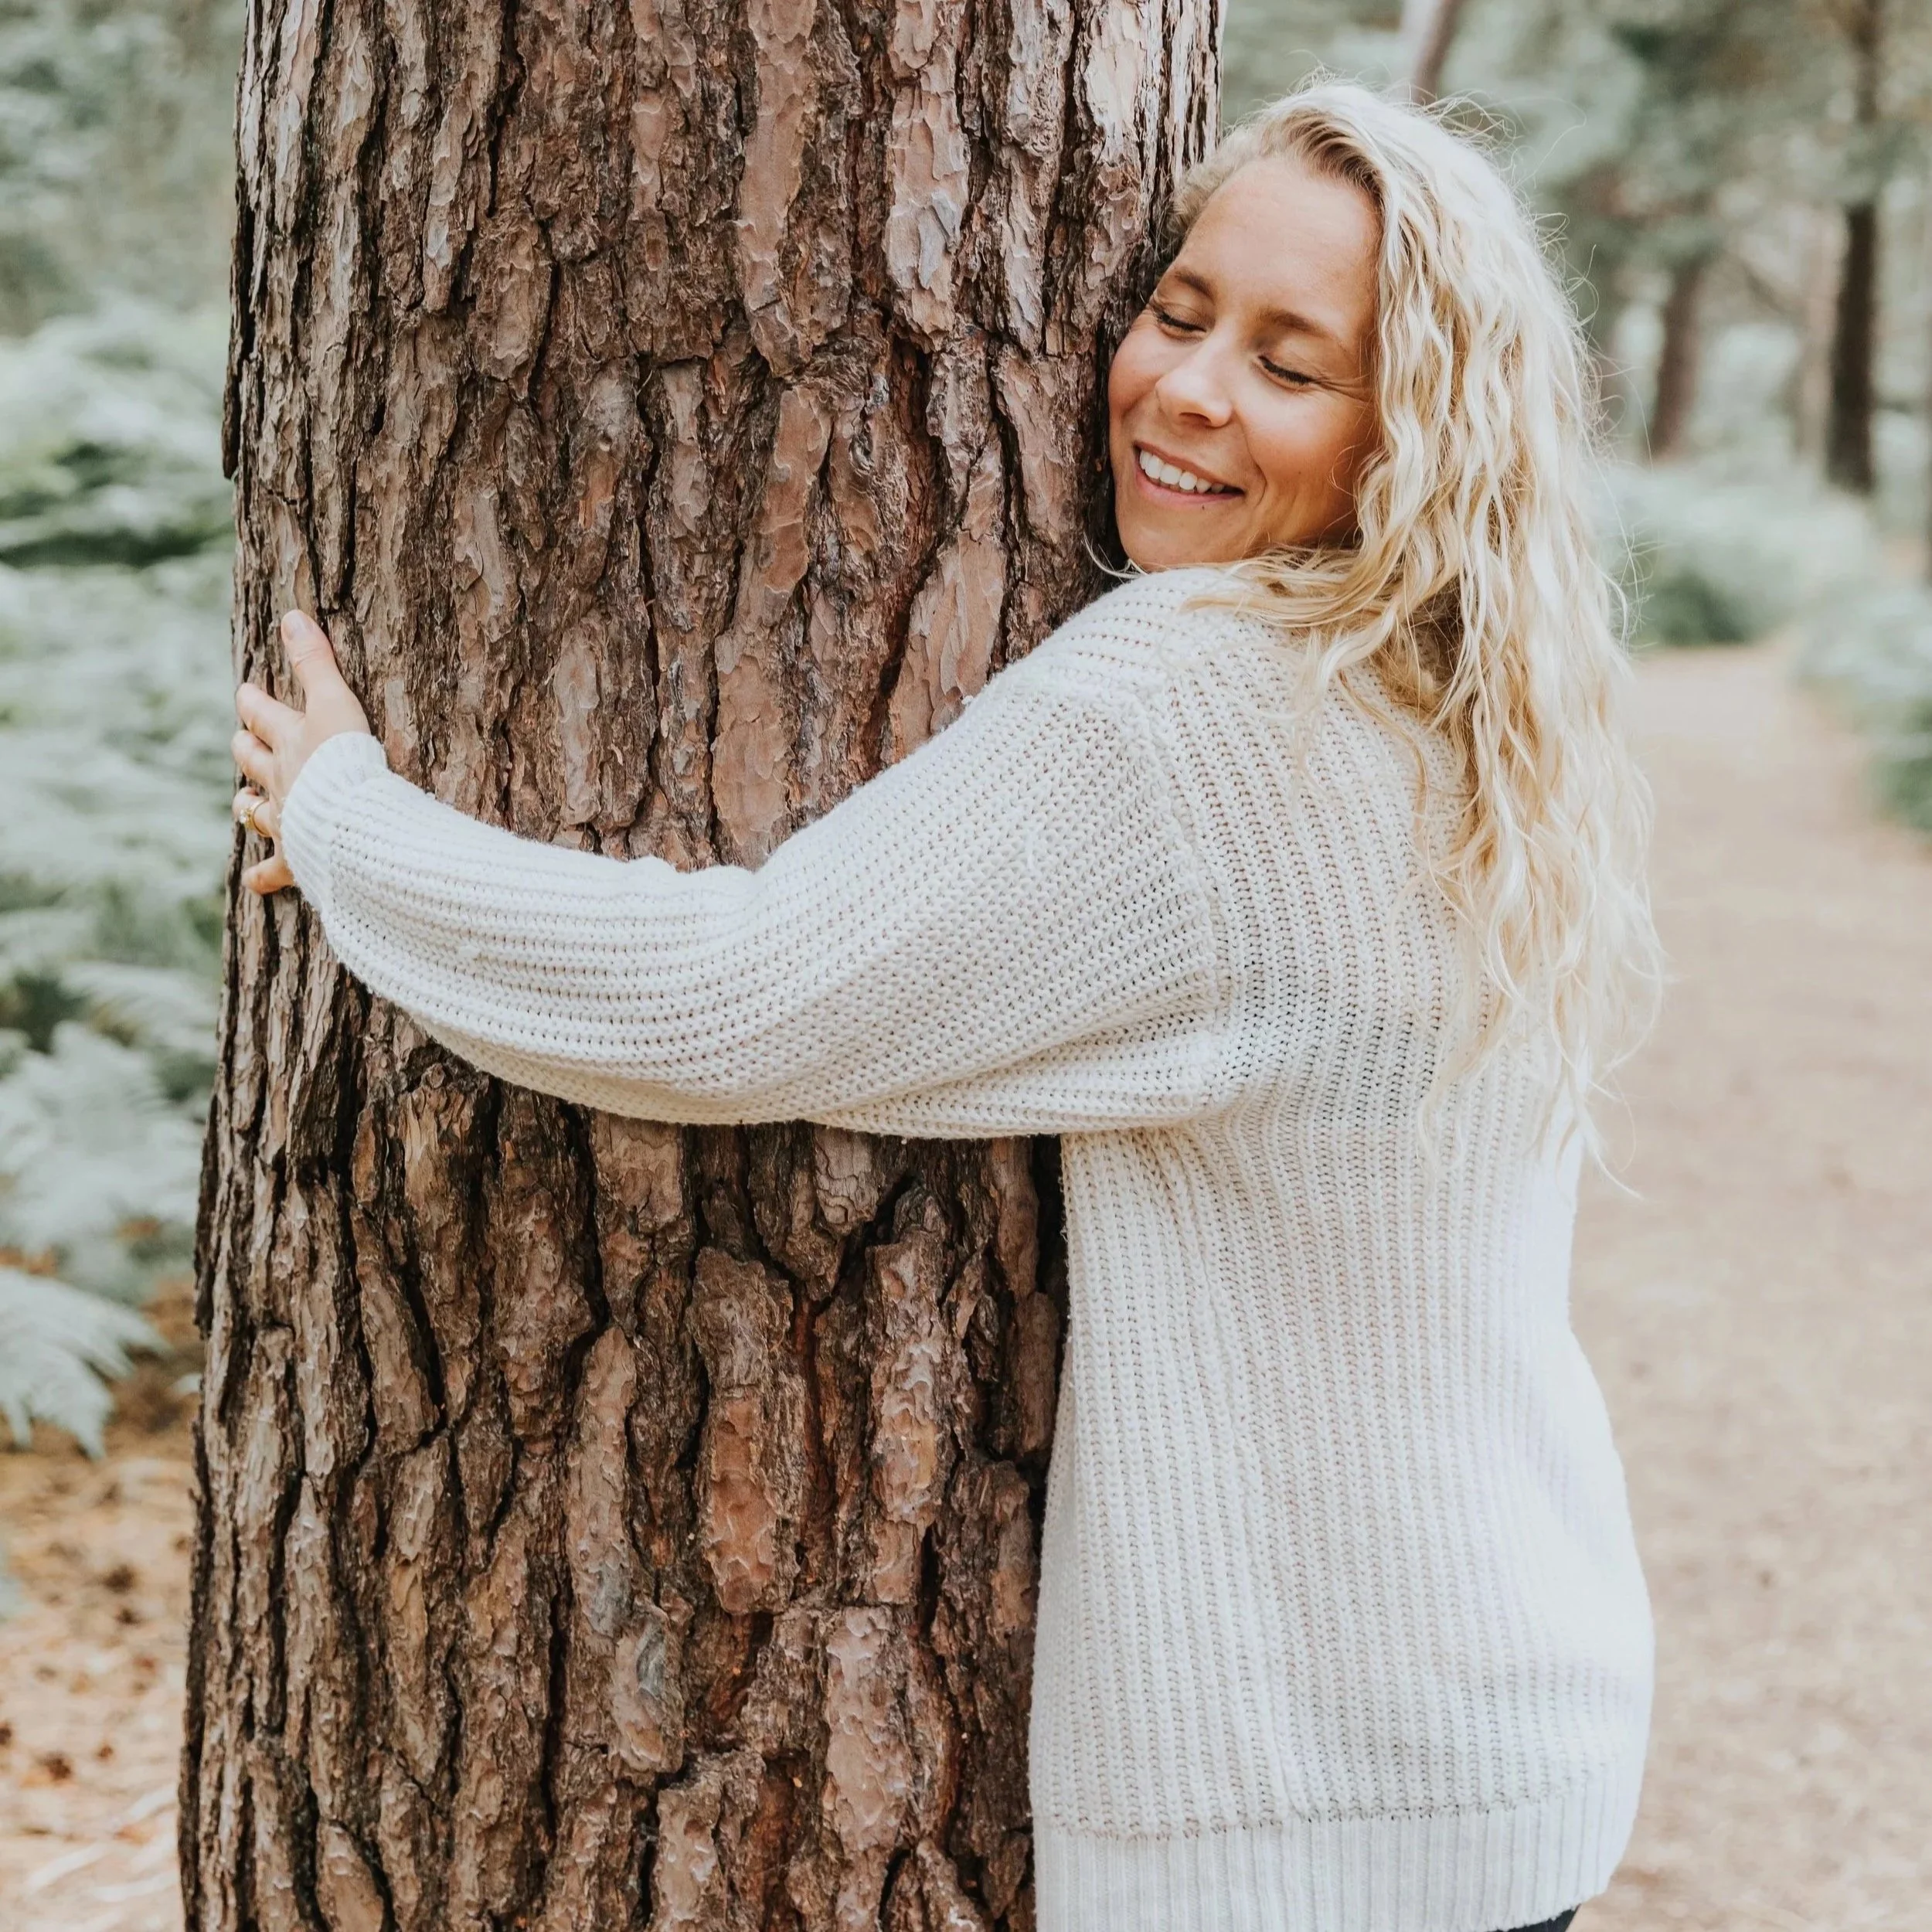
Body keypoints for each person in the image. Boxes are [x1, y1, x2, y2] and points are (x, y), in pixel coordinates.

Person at [230, 80, 1659, 1932]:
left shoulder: (1204, 710)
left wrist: (350, 821)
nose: (1186, 391)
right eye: (1177, 309)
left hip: (1320, 1812)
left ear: (1411, 434)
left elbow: (732, 1001)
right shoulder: (1455, 714)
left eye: (1290, 363)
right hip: (1506, 1734)